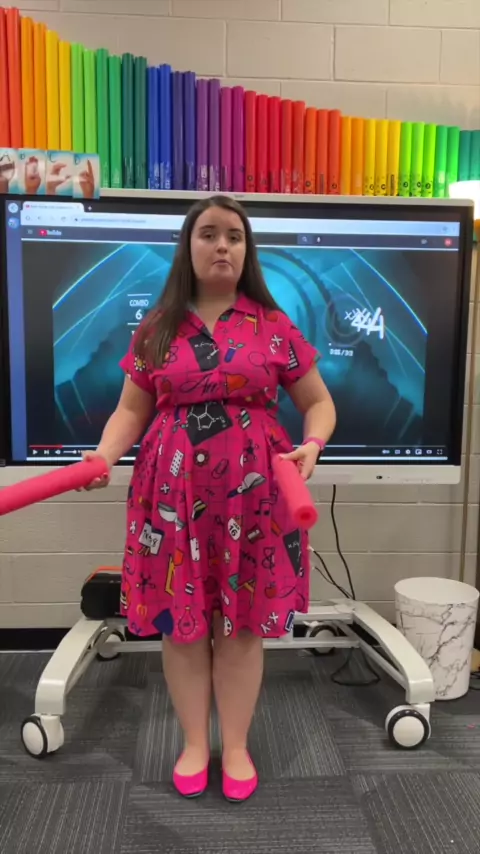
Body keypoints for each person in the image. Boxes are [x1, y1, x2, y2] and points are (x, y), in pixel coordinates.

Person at [84, 195, 336, 802]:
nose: (223, 245)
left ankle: (238, 746)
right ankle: (196, 743)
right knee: (183, 626)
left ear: (247, 251)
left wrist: (313, 444)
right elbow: (130, 410)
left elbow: (318, 402)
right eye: (209, 234)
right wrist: (102, 456)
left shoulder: (273, 325)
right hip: (174, 494)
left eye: (235, 236)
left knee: (243, 627)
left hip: (255, 501)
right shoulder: (157, 328)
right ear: (188, 246)